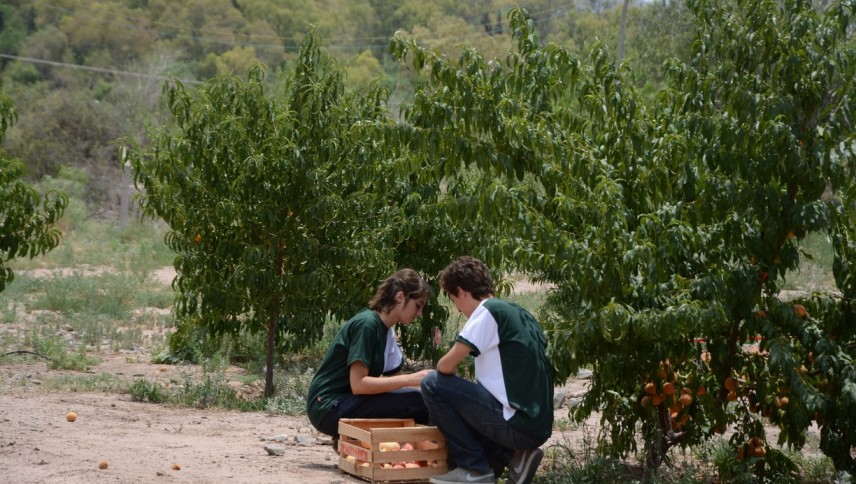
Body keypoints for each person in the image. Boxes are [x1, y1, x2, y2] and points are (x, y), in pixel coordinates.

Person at [422, 256, 553, 484]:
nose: (459, 309)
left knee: (433, 384)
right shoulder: (520, 313)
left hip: (516, 425)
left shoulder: (488, 310)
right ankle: (514, 456)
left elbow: (445, 365)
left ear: (462, 291)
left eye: (454, 300)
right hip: (535, 426)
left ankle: (474, 468)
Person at [306, 268, 433, 439]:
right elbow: (359, 385)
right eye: (418, 306)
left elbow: (395, 380)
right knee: (416, 403)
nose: (419, 314)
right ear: (400, 297)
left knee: (418, 400)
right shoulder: (367, 325)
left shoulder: (387, 330)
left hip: (344, 402)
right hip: (327, 407)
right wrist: (414, 378)